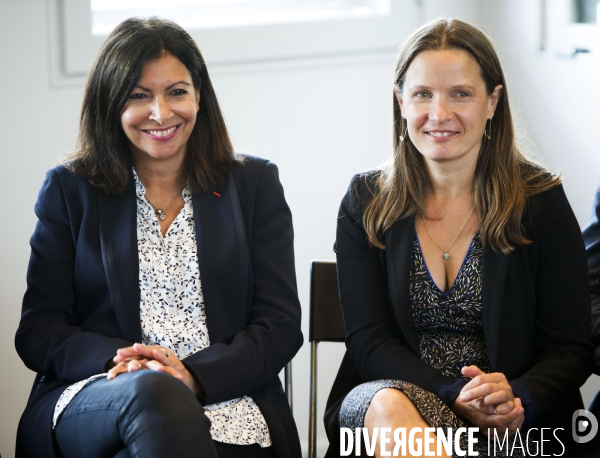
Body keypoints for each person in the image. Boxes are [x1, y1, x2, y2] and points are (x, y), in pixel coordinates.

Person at [15, 17, 303, 458]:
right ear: (111, 103)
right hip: (102, 396)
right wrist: (131, 364)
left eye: (176, 91)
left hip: (227, 399)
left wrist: (191, 375)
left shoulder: (254, 184)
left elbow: (279, 326)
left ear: (199, 95)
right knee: (151, 393)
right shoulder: (69, 189)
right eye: (139, 95)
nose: (161, 113)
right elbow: (40, 330)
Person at [324, 18, 593, 457]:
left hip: (510, 420)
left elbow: (569, 347)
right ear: (401, 103)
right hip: (391, 403)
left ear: (493, 101)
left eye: (461, 94)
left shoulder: (539, 200)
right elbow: (370, 341)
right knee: (390, 407)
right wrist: (451, 393)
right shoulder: (365, 201)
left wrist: (517, 397)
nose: (439, 114)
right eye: (422, 94)